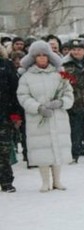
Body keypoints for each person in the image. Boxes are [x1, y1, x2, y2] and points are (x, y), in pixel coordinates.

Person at [16, 41, 74, 192]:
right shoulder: (26, 77)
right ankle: (45, 181)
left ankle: (57, 181)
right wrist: (38, 107)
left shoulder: (60, 74)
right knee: (42, 150)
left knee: (57, 148)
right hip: (38, 118)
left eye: (44, 55)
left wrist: (61, 102)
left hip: (57, 117)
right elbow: (23, 96)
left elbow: (69, 93)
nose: (42, 58)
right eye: (38, 56)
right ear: (33, 58)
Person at [1, 51, 24, 192]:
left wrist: (16, 115)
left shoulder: (6, 65)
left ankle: (6, 181)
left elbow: (15, 91)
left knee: (3, 151)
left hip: (4, 114)